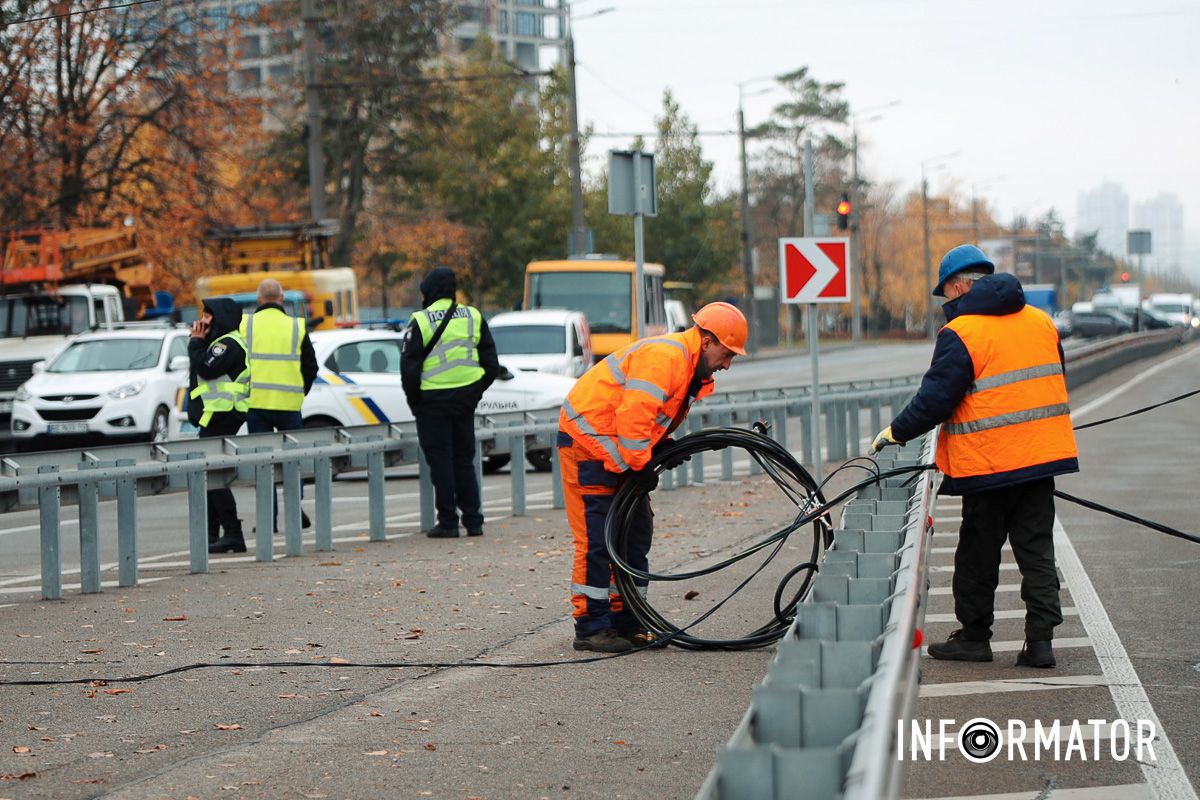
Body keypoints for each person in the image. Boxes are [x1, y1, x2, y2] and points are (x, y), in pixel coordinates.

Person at [872, 244, 1078, 669]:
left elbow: (935, 400)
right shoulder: (1041, 322)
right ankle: (1041, 644)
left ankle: (974, 638)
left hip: (989, 465)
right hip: (1040, 459)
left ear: (959, 286)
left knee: (977, 555)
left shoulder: (962, 333)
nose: (946, 302)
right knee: (1037, 552)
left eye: (945, 293)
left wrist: (895, 433)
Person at [558, 302, 747, 652]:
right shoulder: (668, 358)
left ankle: (627, 621)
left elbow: (647, 420)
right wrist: (642, 464)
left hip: (614, 447)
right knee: (598, 540)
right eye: (727, 353)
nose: (727, 363)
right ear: (707, 342)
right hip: (588, 445)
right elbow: (633, 419)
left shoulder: (688, 367)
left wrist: (658, 449)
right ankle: (591, 626)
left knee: (634, 533)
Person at [401, 267, 501, 538]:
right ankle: (474, 521)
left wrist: (416, 403)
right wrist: (474, 391)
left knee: (441, 462)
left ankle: (447, 522)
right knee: (464, 460)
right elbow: (492, 365)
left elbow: (409, 370)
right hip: (464, 401)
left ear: (429, 292)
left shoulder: (420, 321)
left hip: (432, 402)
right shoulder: (473, 316)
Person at [241, 278, 319, 531]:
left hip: (256, 405)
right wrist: (299, 392)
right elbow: (311, 367)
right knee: (292, 464)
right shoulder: (296, 326)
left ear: (259, 299)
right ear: (282, 298)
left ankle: (267, 521)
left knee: (263, 464)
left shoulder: (246, 325)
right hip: (289, 406)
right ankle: (295, 513)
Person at [187, 298, 250, 554]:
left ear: (221, 317)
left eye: (209, 315)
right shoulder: (216, 341)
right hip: (216, 414)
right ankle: (213, 534)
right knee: (209, 475)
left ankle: (233, 533)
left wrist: (195, 343)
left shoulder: (228, 344)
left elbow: (205, 367)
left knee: (214, 476)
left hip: (224, 414)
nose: (203, 320)